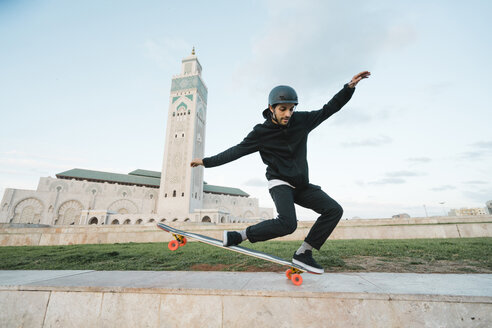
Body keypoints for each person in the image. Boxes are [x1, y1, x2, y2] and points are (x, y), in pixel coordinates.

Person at [190, 71, 371, 273]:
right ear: (271, 108)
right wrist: (206, 162)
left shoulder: (302, 121)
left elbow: (328, 110)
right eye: (283, 109)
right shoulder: (261, 133)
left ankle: (304, 253)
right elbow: (236, 151)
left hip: (301, 185)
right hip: (280, 183)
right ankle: (239, 236)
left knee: (334, 210)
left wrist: (349, 88)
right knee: (287, 223)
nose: (287, 114)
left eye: (291, 109)